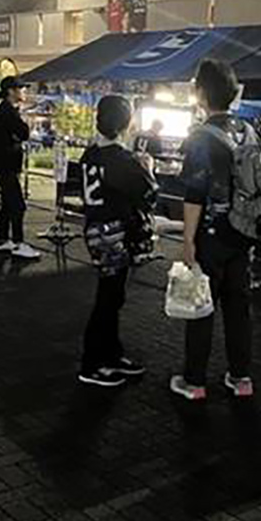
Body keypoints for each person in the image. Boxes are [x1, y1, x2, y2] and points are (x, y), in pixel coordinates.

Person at [173, 59, 257, 401]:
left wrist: (187, 241)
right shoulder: (248, 131)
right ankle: (241, 379)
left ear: (202, 93)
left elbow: (195, 195)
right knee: (239, 310)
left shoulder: (200, 137)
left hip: (212, 236)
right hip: (243, 234)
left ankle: (194, 383)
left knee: (201, 307)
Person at [79, 96, 157, 387]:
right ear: (126, 123)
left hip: (95, 230)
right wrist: (148, 167)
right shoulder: (123, 160)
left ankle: (111, 354)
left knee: (111, 296)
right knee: (108, 299)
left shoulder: (90, 154)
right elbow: (149, 196)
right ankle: (93, 363)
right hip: (115, 234)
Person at [0, 76, 40, 260]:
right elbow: (24, 132)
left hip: (2, 164)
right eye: (21, 88)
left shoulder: (4, 110)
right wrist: (24, 124)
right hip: (5, 164)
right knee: (17, 204)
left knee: (8, 203)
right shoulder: (7, 111)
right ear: (10, 91)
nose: (24, 91)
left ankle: (2, 239)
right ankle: (18, 243)